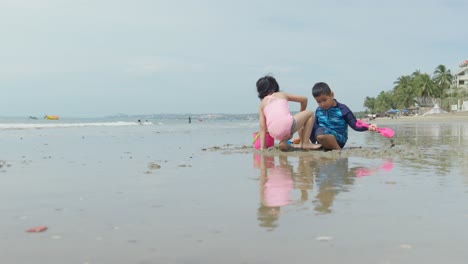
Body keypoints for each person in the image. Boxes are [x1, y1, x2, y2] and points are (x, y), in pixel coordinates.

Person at [256, 75, 321, 151]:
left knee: (286, 127)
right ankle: (305, 143)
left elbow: (263, 128)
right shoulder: (281, 94)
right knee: (309, 113)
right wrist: (302, 116)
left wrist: (263, 147)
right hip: (288, 126)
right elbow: (304, 99)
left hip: (273, 133)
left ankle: (283, 142)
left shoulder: (262, 104)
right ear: (275, 86)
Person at [310, 82, 377, 150]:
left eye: (325, 100)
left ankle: (338, 150)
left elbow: (355, 124)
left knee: (321, 134)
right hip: (321, 135)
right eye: (319, 102)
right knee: (307, 121)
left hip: (338, 139)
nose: (323, 104)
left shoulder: (343, 109)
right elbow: (316, 125)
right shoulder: (319, 110)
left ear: (331, 95)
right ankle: (311, 144)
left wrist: (368, 126)